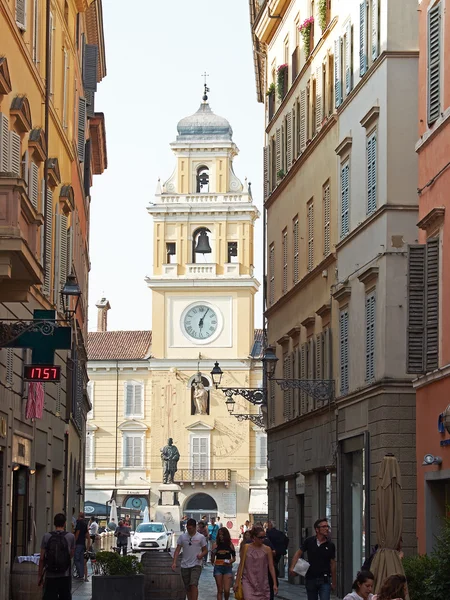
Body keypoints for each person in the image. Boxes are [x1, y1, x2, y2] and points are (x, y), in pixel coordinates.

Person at [289, 518, 336, 600]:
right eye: (324, 526)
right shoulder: (309, 541)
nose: (327, 529)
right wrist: (292, 567)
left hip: (324, 579)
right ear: (317, 529)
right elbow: (298, 553)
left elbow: (333, 564)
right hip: (311, 578)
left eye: (327, 526)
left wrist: (334, 582)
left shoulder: (330, 545)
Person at [234, 526, 278, 600]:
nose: (262, 539)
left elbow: (271, 567)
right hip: (248, 580)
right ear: (254, 537)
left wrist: (275, 583)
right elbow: (241, 565)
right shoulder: (246, 548)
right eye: (260, 537)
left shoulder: (267, 549)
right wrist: (237, 582)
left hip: (262, 582)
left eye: (264, 537)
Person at [38, 512, 75, 599]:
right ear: (65, 523)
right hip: (65, 574)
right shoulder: (71, 536)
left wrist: (40, 575)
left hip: (50, 574)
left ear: (54, 523)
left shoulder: (46, 536)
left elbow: (42, 558)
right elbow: (71, 554)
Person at [172, 518, 207, 600]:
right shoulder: (182, 537)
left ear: (195, 527)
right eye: (187, 528)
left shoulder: (201, 537)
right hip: (185, 565)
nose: (188, 530)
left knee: (193, 584)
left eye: (190, 528)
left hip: (196, 564)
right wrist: (174, 562)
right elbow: (177, 550)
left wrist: (201, 555)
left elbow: (205, 550)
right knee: (187, 587)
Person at [211, 527, 236, 600]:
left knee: (227, 590)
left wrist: (229, 561)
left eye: (222, 534)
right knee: (220, 590)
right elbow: (212, 560)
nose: (221, 536)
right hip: (218, 567)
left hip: (227, 567)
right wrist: (213, 554)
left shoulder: (230, 545)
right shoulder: (215, 545)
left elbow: (234, 558)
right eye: (219, 535)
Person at [74, 512, 90, 580]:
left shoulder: (79, 523)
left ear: (78, 516)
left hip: (78, 544)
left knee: (76, 560)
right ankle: (82, 575)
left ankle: (80, 574)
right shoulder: (84, 523)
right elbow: (87, 535)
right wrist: (88, 546)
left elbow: (77, 533)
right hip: (83, 544)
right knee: (81, 560)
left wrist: (74, 542)